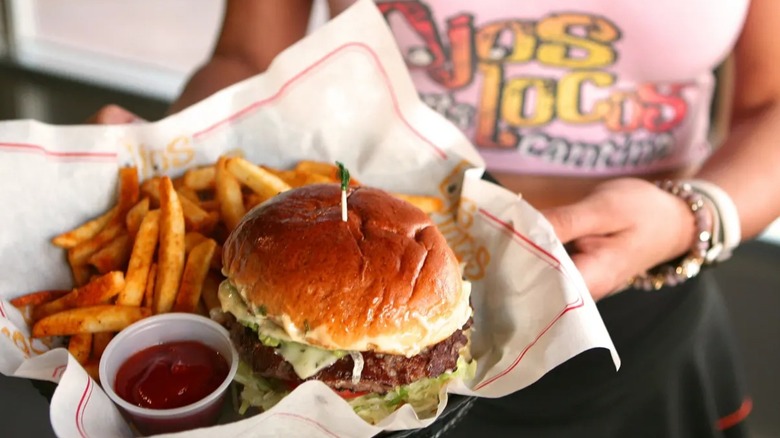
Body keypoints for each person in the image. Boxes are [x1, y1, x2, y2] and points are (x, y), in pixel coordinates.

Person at [92, 1, 780, 436]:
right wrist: (174, 146)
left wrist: (695, 215)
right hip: (351, 296)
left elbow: (772, 102)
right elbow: (248, 55)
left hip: (646, 312)